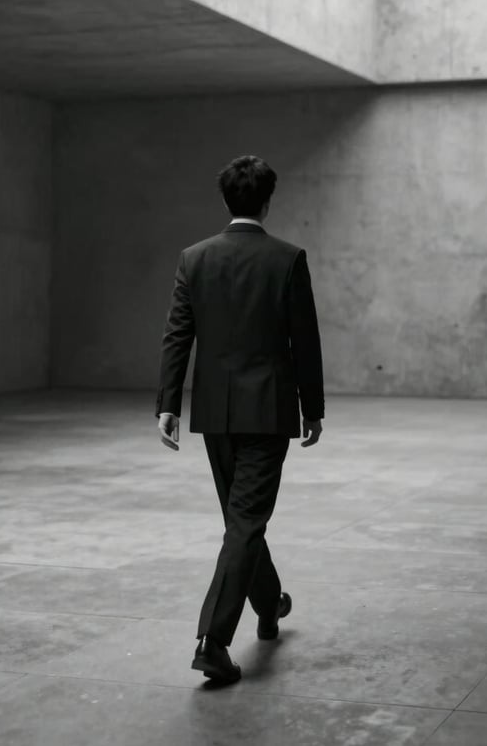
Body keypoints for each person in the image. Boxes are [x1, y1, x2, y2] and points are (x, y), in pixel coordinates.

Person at [155, 154, 324, 684]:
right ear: (267, 201)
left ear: (226, 201)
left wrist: (167, 403)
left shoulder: (194, 259)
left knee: (240, 520)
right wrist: (312, 408)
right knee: (246, 520)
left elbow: (178, 334)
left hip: (215, 413)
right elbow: (306, 342)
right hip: (270, 411)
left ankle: (269, 604)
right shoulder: (287, 259)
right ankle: (213, 641)